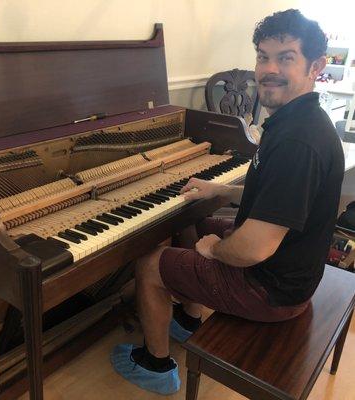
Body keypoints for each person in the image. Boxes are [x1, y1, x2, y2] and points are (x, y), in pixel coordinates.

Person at [111, 9, 345, 395]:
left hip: (272, 290)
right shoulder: (295, 119)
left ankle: (155, 365)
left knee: (150, 264)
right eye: (263, 56)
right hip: (290, 269)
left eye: (285, 58)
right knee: (197, 221)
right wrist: (220, 191)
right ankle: (187, 320)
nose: (269, 69)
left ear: (316, 66)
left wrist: (216, 251)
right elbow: (275, 196)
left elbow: (254, 247)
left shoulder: (297, 142)